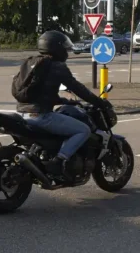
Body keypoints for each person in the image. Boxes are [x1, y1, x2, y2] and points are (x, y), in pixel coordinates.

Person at [14, 30, 110, 177]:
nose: (67, 51)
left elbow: (40, 91)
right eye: (65, 48)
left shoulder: (32, 62)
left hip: (21, 113)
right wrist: (99, 102)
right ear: (57, 48)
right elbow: (77, 88)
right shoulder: (56, 66)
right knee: (83, 130)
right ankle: (60, 160)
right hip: (40, 115)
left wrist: (62, 101)